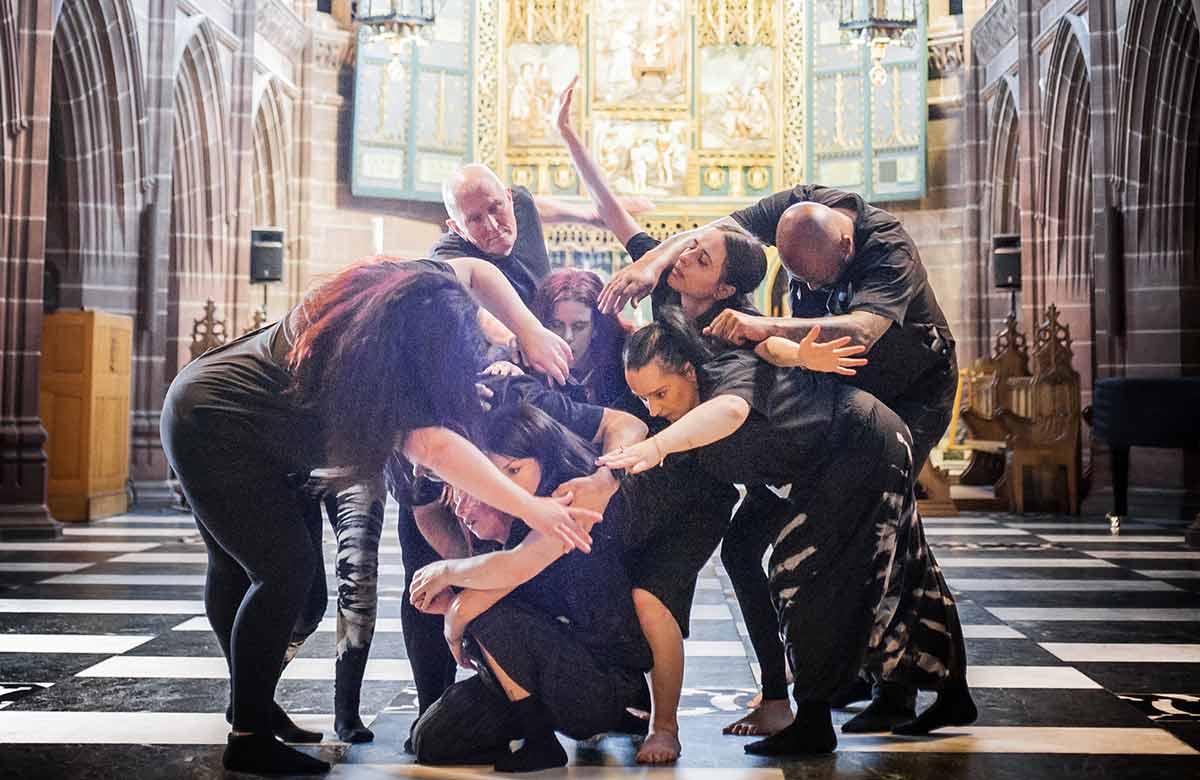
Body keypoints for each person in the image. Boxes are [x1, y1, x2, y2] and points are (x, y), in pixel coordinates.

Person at [160, 256, 600, 774]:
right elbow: (434, 449)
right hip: (216, 427)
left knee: (245, 570)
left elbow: (475, 276)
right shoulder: (370, 365)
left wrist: (522, 332)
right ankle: (249, 736)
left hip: (227, 414)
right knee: (281, 576)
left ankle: (248, 704)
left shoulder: (406, 290)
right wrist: (532, 508)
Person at [553, 75, 865, 746]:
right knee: (738, 557)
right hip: (724, 466)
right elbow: (616, 215)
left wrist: (658, 445)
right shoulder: (670, 289)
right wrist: (569, 138)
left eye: (700, 254)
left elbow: (736, 401)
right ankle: (774, 694)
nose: (683, 251)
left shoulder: (734, 329)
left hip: (784, 461)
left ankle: (803, 697)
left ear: (724, 284)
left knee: (768, 564)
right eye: (687, 247)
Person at [602, 184, 959, 731]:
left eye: (815, 279)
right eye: (798, 278)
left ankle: (838, 701)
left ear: (845, 247)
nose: (807, 288)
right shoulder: (691, 282)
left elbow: (806, 347)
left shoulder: (885, 251)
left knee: (846, 554)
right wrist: (652, 261)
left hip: (896, 407)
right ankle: (870, 688)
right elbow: (688, 235)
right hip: (824, 419)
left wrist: (779, 336)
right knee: (765, 549)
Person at [406, 404, 655, 772]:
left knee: (486, 614)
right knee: (431, 740)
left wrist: (449, 579)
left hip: (605, 683)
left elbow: (510, 575)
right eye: (497, 475)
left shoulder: (571, 500)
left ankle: (540, 741)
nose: (507, 485)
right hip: (554, 668)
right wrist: (453, 608)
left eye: (515, 470)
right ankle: (526, 728)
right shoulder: (514, 514)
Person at [530, 268, 642, 416]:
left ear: (596, 326)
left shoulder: (627, 355)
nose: (567, 337)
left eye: (579, 326)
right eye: (556, 325)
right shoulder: (523, 357)